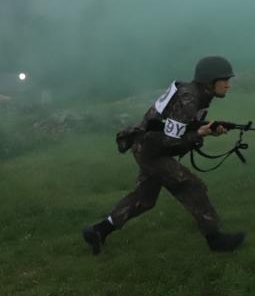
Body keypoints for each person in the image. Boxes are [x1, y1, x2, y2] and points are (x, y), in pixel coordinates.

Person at [82, 56, 246, 255]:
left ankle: (98, 231)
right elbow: (171, 139)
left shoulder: (196, 94)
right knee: (192, 186)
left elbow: (180, 127)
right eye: (225, 80)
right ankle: (215, 239)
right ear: (210, 80)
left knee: (144, 199)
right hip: (152, 150)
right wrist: (200, 134)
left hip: (149, 146)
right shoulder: (190, 99)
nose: (228, 85)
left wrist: (205, 129)